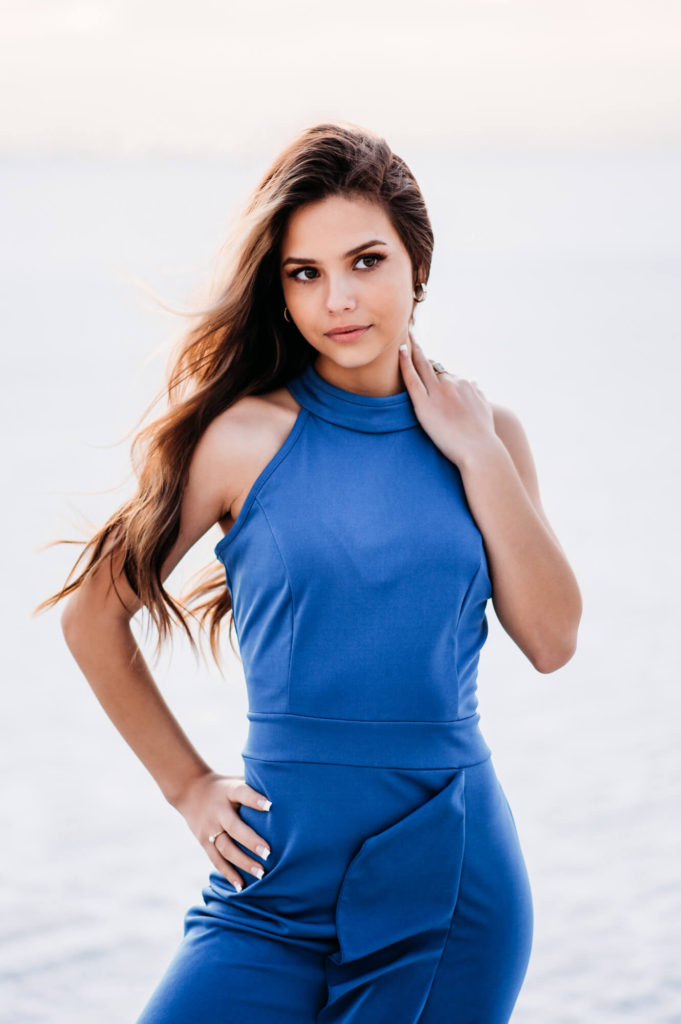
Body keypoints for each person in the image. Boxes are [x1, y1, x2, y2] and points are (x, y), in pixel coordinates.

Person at [40, 120, 582, 1022]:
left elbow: (552, 639)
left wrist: (479, 456)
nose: (339, 298)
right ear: (280, 290)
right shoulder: (240, 439)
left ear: (417, 262)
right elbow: (93, 616)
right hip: (272, 881)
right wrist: (188, 785)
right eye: (305, 273)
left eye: (366, 261)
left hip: (448, 880)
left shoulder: (492, 438)